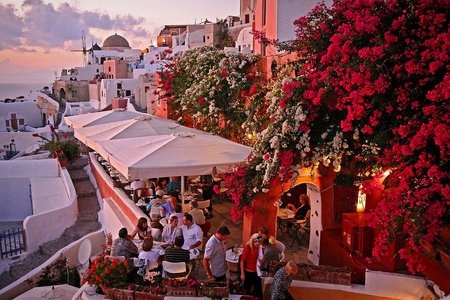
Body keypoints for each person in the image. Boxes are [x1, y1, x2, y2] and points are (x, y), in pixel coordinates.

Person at [240, 233, 263, 299]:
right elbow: (242, 261)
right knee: (246, 291)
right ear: (253, 241)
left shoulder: (259, 247)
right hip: (248, 272)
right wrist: (242, 274)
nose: (258, 245)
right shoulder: (248, 248)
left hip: (256, 271)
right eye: (257, 243)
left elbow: (259, 258)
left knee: (259, 291)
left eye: (259, 243)